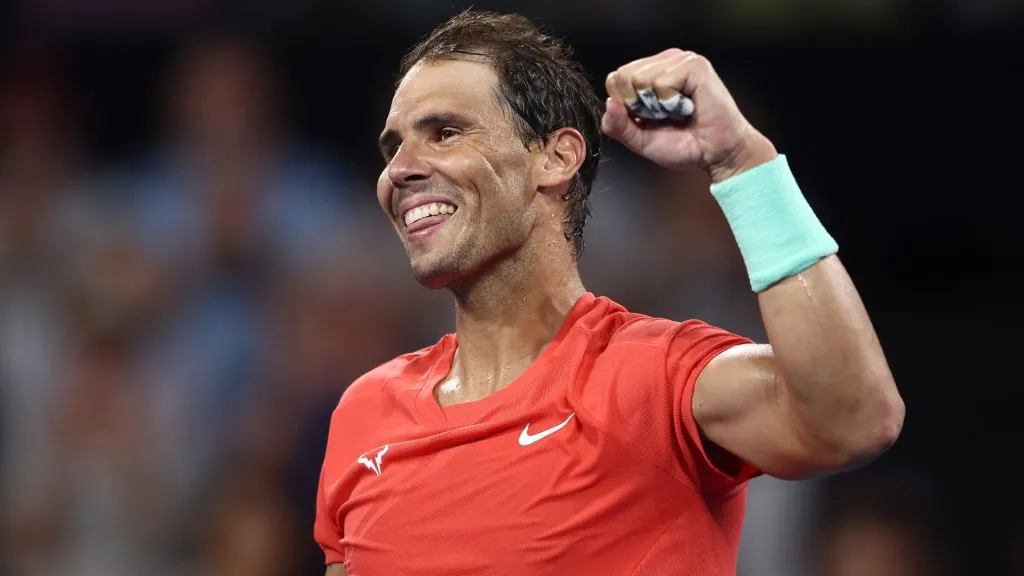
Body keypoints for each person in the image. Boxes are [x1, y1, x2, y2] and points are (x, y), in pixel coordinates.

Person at [315, 10, 905, 575]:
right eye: (392, 148)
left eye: (444, 133)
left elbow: (854, 421)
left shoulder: (657, 379)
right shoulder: (364, 412)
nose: (399, 170)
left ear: (556, 157)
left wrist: (742, 163)